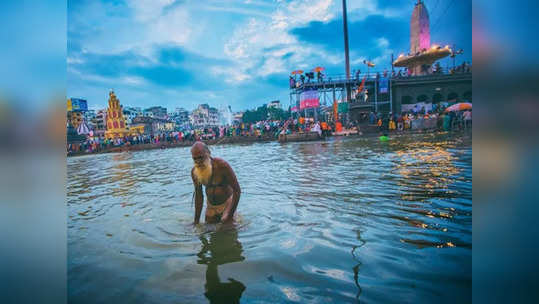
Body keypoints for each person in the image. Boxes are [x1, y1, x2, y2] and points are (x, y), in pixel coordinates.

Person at [191, 142, 241, 224]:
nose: (198, 161)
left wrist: (230, 214)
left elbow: (237, 191)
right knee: (208, 228)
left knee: (227, 225)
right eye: (195, 159)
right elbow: (199, 196)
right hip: (211, 205)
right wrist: (196, 221)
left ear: (208, 154)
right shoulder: (194, 172)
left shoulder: (222, 166)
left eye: (200, 157)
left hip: (227, 202)